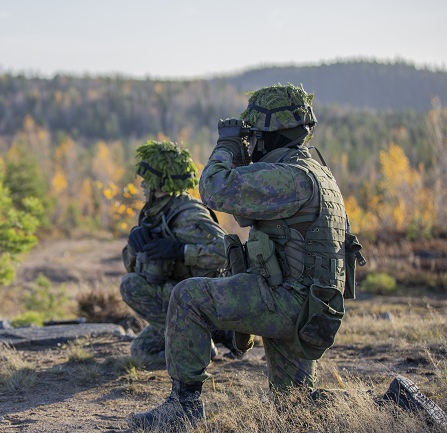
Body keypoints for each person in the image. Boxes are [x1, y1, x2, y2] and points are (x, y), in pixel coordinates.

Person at [127, 84, 445, 431]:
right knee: (293, 408)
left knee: (188, 296)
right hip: (310, 307)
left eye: (255, 137)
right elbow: (252, 209)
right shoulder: (316, 173)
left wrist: (228, 145)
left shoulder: (289, 177)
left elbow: (214, 189)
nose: (253, 144)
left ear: (270, 134)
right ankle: (392, 402)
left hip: (287, 301)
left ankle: (183, 408)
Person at [120, 140, 239, 364]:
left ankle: (199, 342)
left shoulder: (188, 215)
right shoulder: (155, 213)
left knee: (131, 285)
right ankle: (203, 339)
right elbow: (137, 266)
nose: (143, 185)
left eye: (148, 180)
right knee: (142, 352)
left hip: (203, 297)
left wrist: (181, 251)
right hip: (181, 296)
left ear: (161, 183)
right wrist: (134, 248)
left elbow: (226, 252)